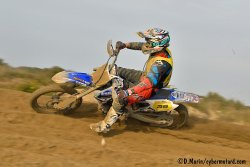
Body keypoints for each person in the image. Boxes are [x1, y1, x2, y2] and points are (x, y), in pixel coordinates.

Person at [90, 28, 173, 133]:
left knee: (120, 98)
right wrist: (125, 45)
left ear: (157, 43)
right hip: (144, 76)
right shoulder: (159, 49)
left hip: (150, 87)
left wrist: (127, 92)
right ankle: (106, 102)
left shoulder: (161, 64)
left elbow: (148, 83)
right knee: (114, 69)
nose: (147, 43)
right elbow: (140, 46)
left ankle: (105, 126)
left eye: (149, 41)